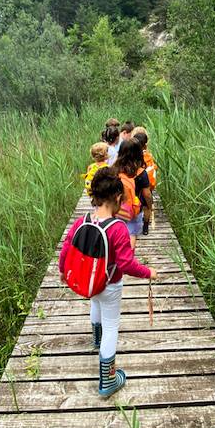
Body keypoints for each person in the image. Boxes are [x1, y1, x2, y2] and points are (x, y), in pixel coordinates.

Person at [59, 168, 158, 396]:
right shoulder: (118, 229)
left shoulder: (81, 221)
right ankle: (108, 381)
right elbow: (126, 265)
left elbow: (66, 247)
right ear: (117, 197)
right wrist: (148, 272)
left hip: (90, 280)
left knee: (95, 305)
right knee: (112, 325)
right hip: (110, 283)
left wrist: (63, 270)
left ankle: (97, 340)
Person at [113, 138, 149, 249]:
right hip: (133, 210)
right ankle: (128, 257)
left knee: (115, 234)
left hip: (116, 209)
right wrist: (149, 206)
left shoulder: (114, 170)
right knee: (131, 234)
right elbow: (147, 194)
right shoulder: (141, 173)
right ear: (139, 153)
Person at [133, 128, 158, 235]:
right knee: (147, 207)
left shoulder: (131, 155)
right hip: (146, 185)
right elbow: (153, 168)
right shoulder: (148, 156)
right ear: (145, 145)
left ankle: (133, 222)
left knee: (134, 203)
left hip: (134, 186)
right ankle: (146, 227)